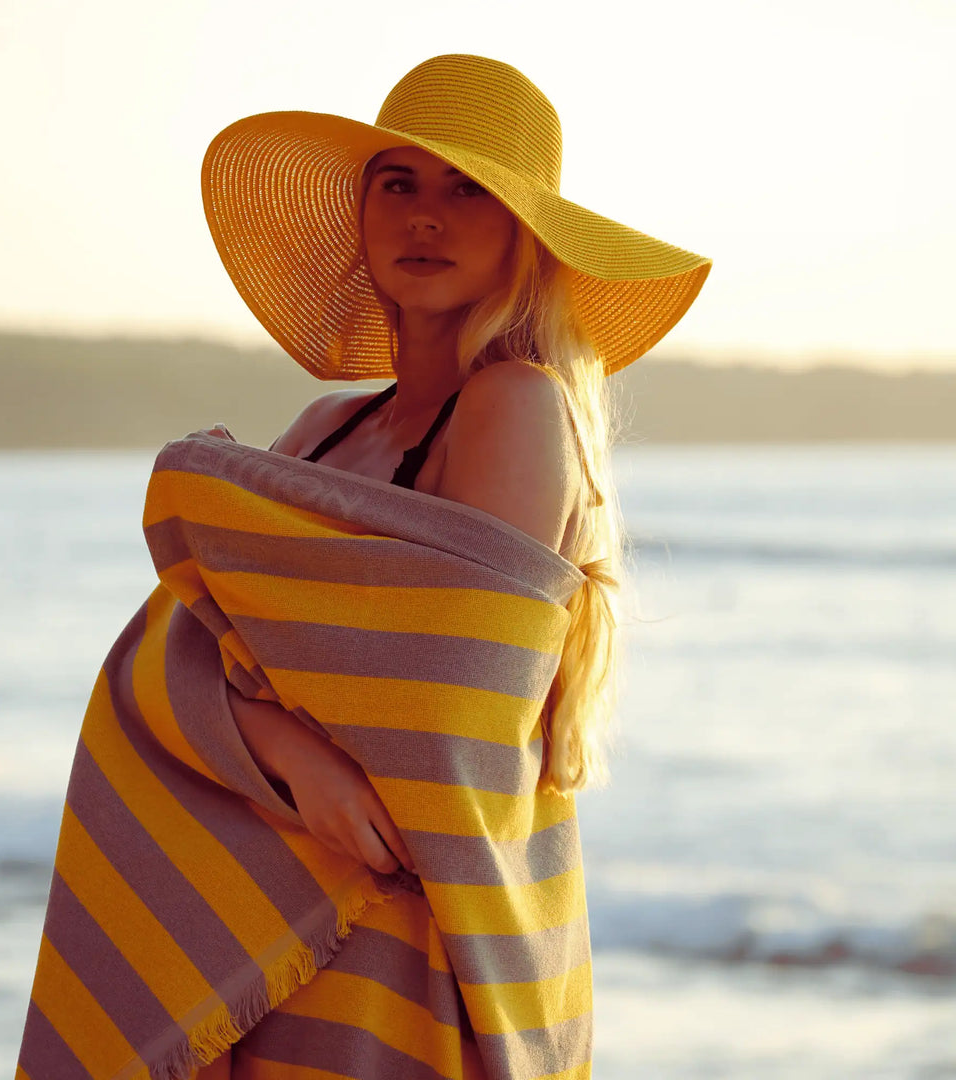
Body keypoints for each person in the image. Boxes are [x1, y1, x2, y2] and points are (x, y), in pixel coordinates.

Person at [191, 53, 711, 1079]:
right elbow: (183, 640)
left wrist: (267, 722)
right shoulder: (328, 428)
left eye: (470, 190)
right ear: (364, 213)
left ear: (529, 235)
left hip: (429, 927)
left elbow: (444, 701)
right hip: (295, 921)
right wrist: (294, 754)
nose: (427, 216)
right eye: (401, 184)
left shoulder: (516, 404)